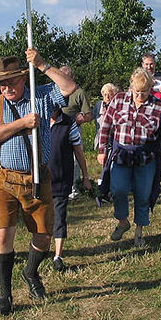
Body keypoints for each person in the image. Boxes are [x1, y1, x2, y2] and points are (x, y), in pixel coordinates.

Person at [0, 49, 77, 316]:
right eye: (2, 82)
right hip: (3, 178)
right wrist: (22, 123)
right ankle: (5, 295)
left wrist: (43, 64)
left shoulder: (42, 96)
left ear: (24, 78)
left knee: (44, 235)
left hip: (37, 176)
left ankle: (31, 272)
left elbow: (69, 87)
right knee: (4, 232)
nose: (6, 87)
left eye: (11, 81)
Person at [96, 68, 161, 247]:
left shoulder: (157, 106)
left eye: (145, 92)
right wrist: (102, 150)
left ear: (150, 89)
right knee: (118, 190)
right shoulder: (118, 100)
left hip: (146, 157)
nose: (140, 95)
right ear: (131, 87)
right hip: (122, 154)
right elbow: (106, 126)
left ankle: (139, 232)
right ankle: (123, 221)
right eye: (137, 91)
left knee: (143, 194)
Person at [48, 108, 91, 271]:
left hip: (61, 178)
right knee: (43, 218)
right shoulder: (36, 120)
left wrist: (85, 176)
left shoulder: (68, 123)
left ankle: (57, 256)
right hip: (41, 180)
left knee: (59, 216)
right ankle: (41, 250)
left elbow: (78, 151)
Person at [59, 65, 93, 199]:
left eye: (67, 77)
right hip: (56, 128)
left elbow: (88, 115)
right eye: (62, 77)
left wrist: (81, 118)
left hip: (73, 128)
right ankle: (58, 186)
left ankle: (74, 189)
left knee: (75, 159)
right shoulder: (54, 91)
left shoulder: (79, 93)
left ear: (73, 78)